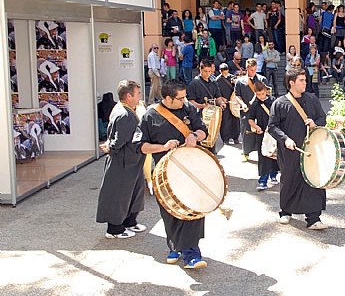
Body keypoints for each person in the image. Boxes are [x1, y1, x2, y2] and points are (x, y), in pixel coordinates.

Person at [139, 80, 208, 269]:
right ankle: (175, 245)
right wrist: (162, 147)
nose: (184, 101)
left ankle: (192, 253)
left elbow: (204, 130)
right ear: (168, 98)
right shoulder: (150, 116)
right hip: (165, 173)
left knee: (193, 210)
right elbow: (142, 146)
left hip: (191, 169)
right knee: (170, 213)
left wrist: (194, 136)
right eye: (180, 98)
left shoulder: (188, 109)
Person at [267, 67, 328, 229]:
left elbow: (323, 118)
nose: (305, 83)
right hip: (289, 150)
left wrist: (315, 123)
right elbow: (272, 127)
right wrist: (285, 139)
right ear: (291, 82)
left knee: (313, 180)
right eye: (301, 80)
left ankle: (314, 218)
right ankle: (286, 211)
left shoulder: (312, 99)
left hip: (311, 148)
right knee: (289, 179)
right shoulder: (279, 103)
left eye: (305, 80)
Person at [96, 80, 146, 239]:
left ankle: (129, 221)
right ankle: (115, 229)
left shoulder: (128, 110)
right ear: (128, 95)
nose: (140, 96)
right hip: (123, 161)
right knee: (119, 194)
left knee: (134, 192)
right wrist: (111, 146)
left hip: (133, 160)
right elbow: (120, 139)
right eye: (137, 93)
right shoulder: (124, 114)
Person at [247, 81, 280, 191]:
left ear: (266, 91)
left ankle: (274, 175)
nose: (261, 96)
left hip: (273, 132)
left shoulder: (273, 101)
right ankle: (263, 180)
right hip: (262, 134)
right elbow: (250, 119)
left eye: (262, 94)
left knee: (274, 154)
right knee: (263, 157)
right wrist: (256, 127)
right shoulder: (255, 104)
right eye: (258, 94)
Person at [234, 58, 268, 162]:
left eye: (254, 69)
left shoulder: (262, 79)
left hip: (260, 109)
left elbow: (268, 93)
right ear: (247, 68)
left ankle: (263, 151)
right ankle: (246, 152)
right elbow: (237, 95)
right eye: (250, 69)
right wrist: (243, 104)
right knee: (246, 131)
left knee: (261, 130)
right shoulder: (240, 81)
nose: (252, 71)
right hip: (246, 109)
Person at [216, 63, 241, 144]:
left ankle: (235, 137)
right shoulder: (217, 80)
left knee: (235, 119)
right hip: (224, 102)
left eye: (226, 72)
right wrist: (221, 98)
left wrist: (235, 82)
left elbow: (237, 88)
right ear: (220, 71)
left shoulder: (232, 78)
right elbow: (216, 92)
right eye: (223, 72)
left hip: (233, 102)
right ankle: (225, 138)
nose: (225, 73)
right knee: (225, 120)